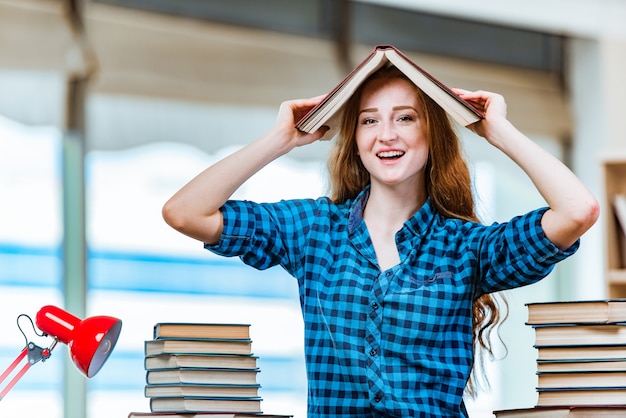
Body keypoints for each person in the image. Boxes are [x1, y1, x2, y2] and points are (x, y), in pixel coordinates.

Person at [162, 65, 599, 417]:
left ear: (433, 136)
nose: (386, 134)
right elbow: (185, 213)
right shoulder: (313, 229)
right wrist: (281, 140)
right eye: (370, 120)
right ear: (355, 140)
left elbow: (576, 211)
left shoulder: (466, 247)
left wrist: (496, 131)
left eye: (405, 118)